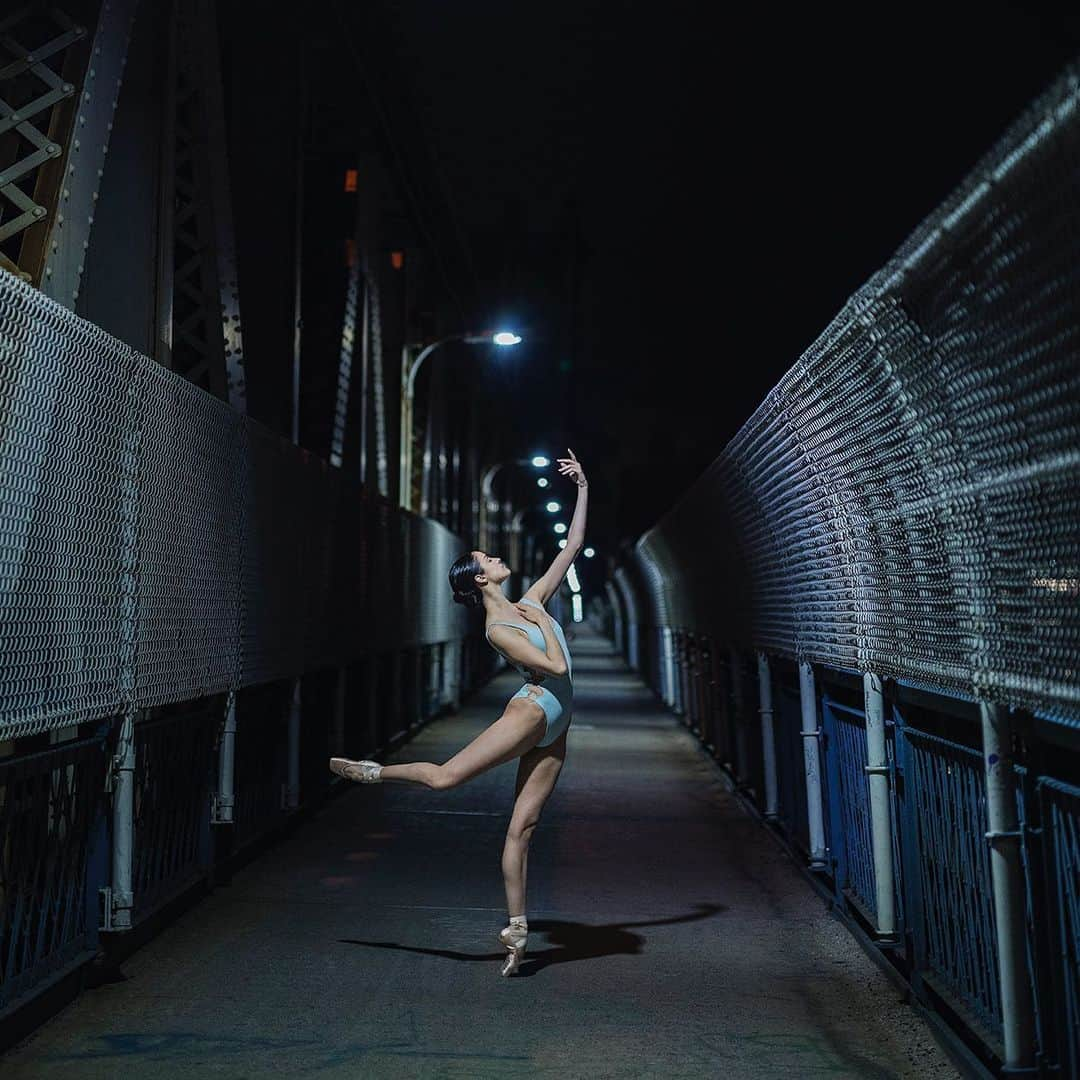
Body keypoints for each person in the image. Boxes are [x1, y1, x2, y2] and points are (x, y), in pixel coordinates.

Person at [329, 449, 589, 976]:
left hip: (558, 724)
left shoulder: (533, 599)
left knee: (525, 827)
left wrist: (582, 486)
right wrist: (556, 639)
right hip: (535, 713)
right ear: (480, 581)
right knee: (447, 779)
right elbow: (556, 668)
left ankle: (516, 932)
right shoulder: (501, 631)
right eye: (487, 560)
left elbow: (574, 546)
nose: (495, 559)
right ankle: (375, 771)